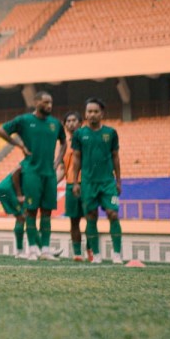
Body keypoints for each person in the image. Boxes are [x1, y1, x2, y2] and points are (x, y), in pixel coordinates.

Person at [0, 91, 66, 260]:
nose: (49, 105)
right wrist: (19, 144)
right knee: (30, 211)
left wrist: (57, 161)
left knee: (47, 212)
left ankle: (45, 250)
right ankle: (32, 249)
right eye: (45, 102)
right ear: (36, 102)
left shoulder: (55, 124)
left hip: (49, 174)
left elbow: (64, 142)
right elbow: (1, 131)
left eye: (51, 102)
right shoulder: (24, 120)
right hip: (31, 172)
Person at [70, 98, 123, 264]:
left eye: (95, 111)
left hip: (107, 182)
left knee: (113, 214)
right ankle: (97, 255)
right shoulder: (79, 134)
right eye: (89, 111)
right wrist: (76, 182)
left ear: (102, 114)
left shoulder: (111, 133)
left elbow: (115, 157)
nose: (92, 114)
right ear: (85, 114)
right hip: (88, 183)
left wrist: (119, 181)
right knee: (91, 216)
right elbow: (76, 159)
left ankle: (117, 254)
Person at [59, 111, 86, 260]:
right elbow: (62, 169)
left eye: (74, 120)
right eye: (68, 121)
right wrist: (51, 184)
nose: (71, 123)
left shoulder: (87, 139)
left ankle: (92, 251)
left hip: (86, 184)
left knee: (91, 218)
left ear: (80, 123)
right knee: (74, 221)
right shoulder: (63, 144)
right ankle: (77, 253)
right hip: (70, 186)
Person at [0, 167, 27, 257]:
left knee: (22, 217)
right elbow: (15, 172)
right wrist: (19, 194)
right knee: (22, 217)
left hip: (6, 188)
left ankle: (36, 249)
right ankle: (21, 251)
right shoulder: (30, 162)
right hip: (8, 190)